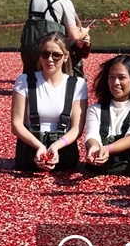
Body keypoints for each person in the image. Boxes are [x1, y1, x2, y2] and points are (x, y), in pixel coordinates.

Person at [11, 33, 88, 172]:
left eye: (56, 55)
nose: (50, 59)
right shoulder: (24, 81)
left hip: (64, 152)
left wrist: (56, 147)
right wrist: (39, 147)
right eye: (45, 54)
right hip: (29, 151)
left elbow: (77, 128)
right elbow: (16, 124)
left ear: (65, 57)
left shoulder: (78, 84)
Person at [83, 55, 130, 175]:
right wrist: (93, 148)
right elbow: (92, 135)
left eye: (122, 78)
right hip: (100, 174)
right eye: (111, 77)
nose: (116, 83)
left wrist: (108, 149)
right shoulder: (95, 109)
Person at [19, 0, 92, 80]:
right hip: (50, 48)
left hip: (29, 47)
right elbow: (74, 36)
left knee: (32, 81)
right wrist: (84, 32)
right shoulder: (64, 1)